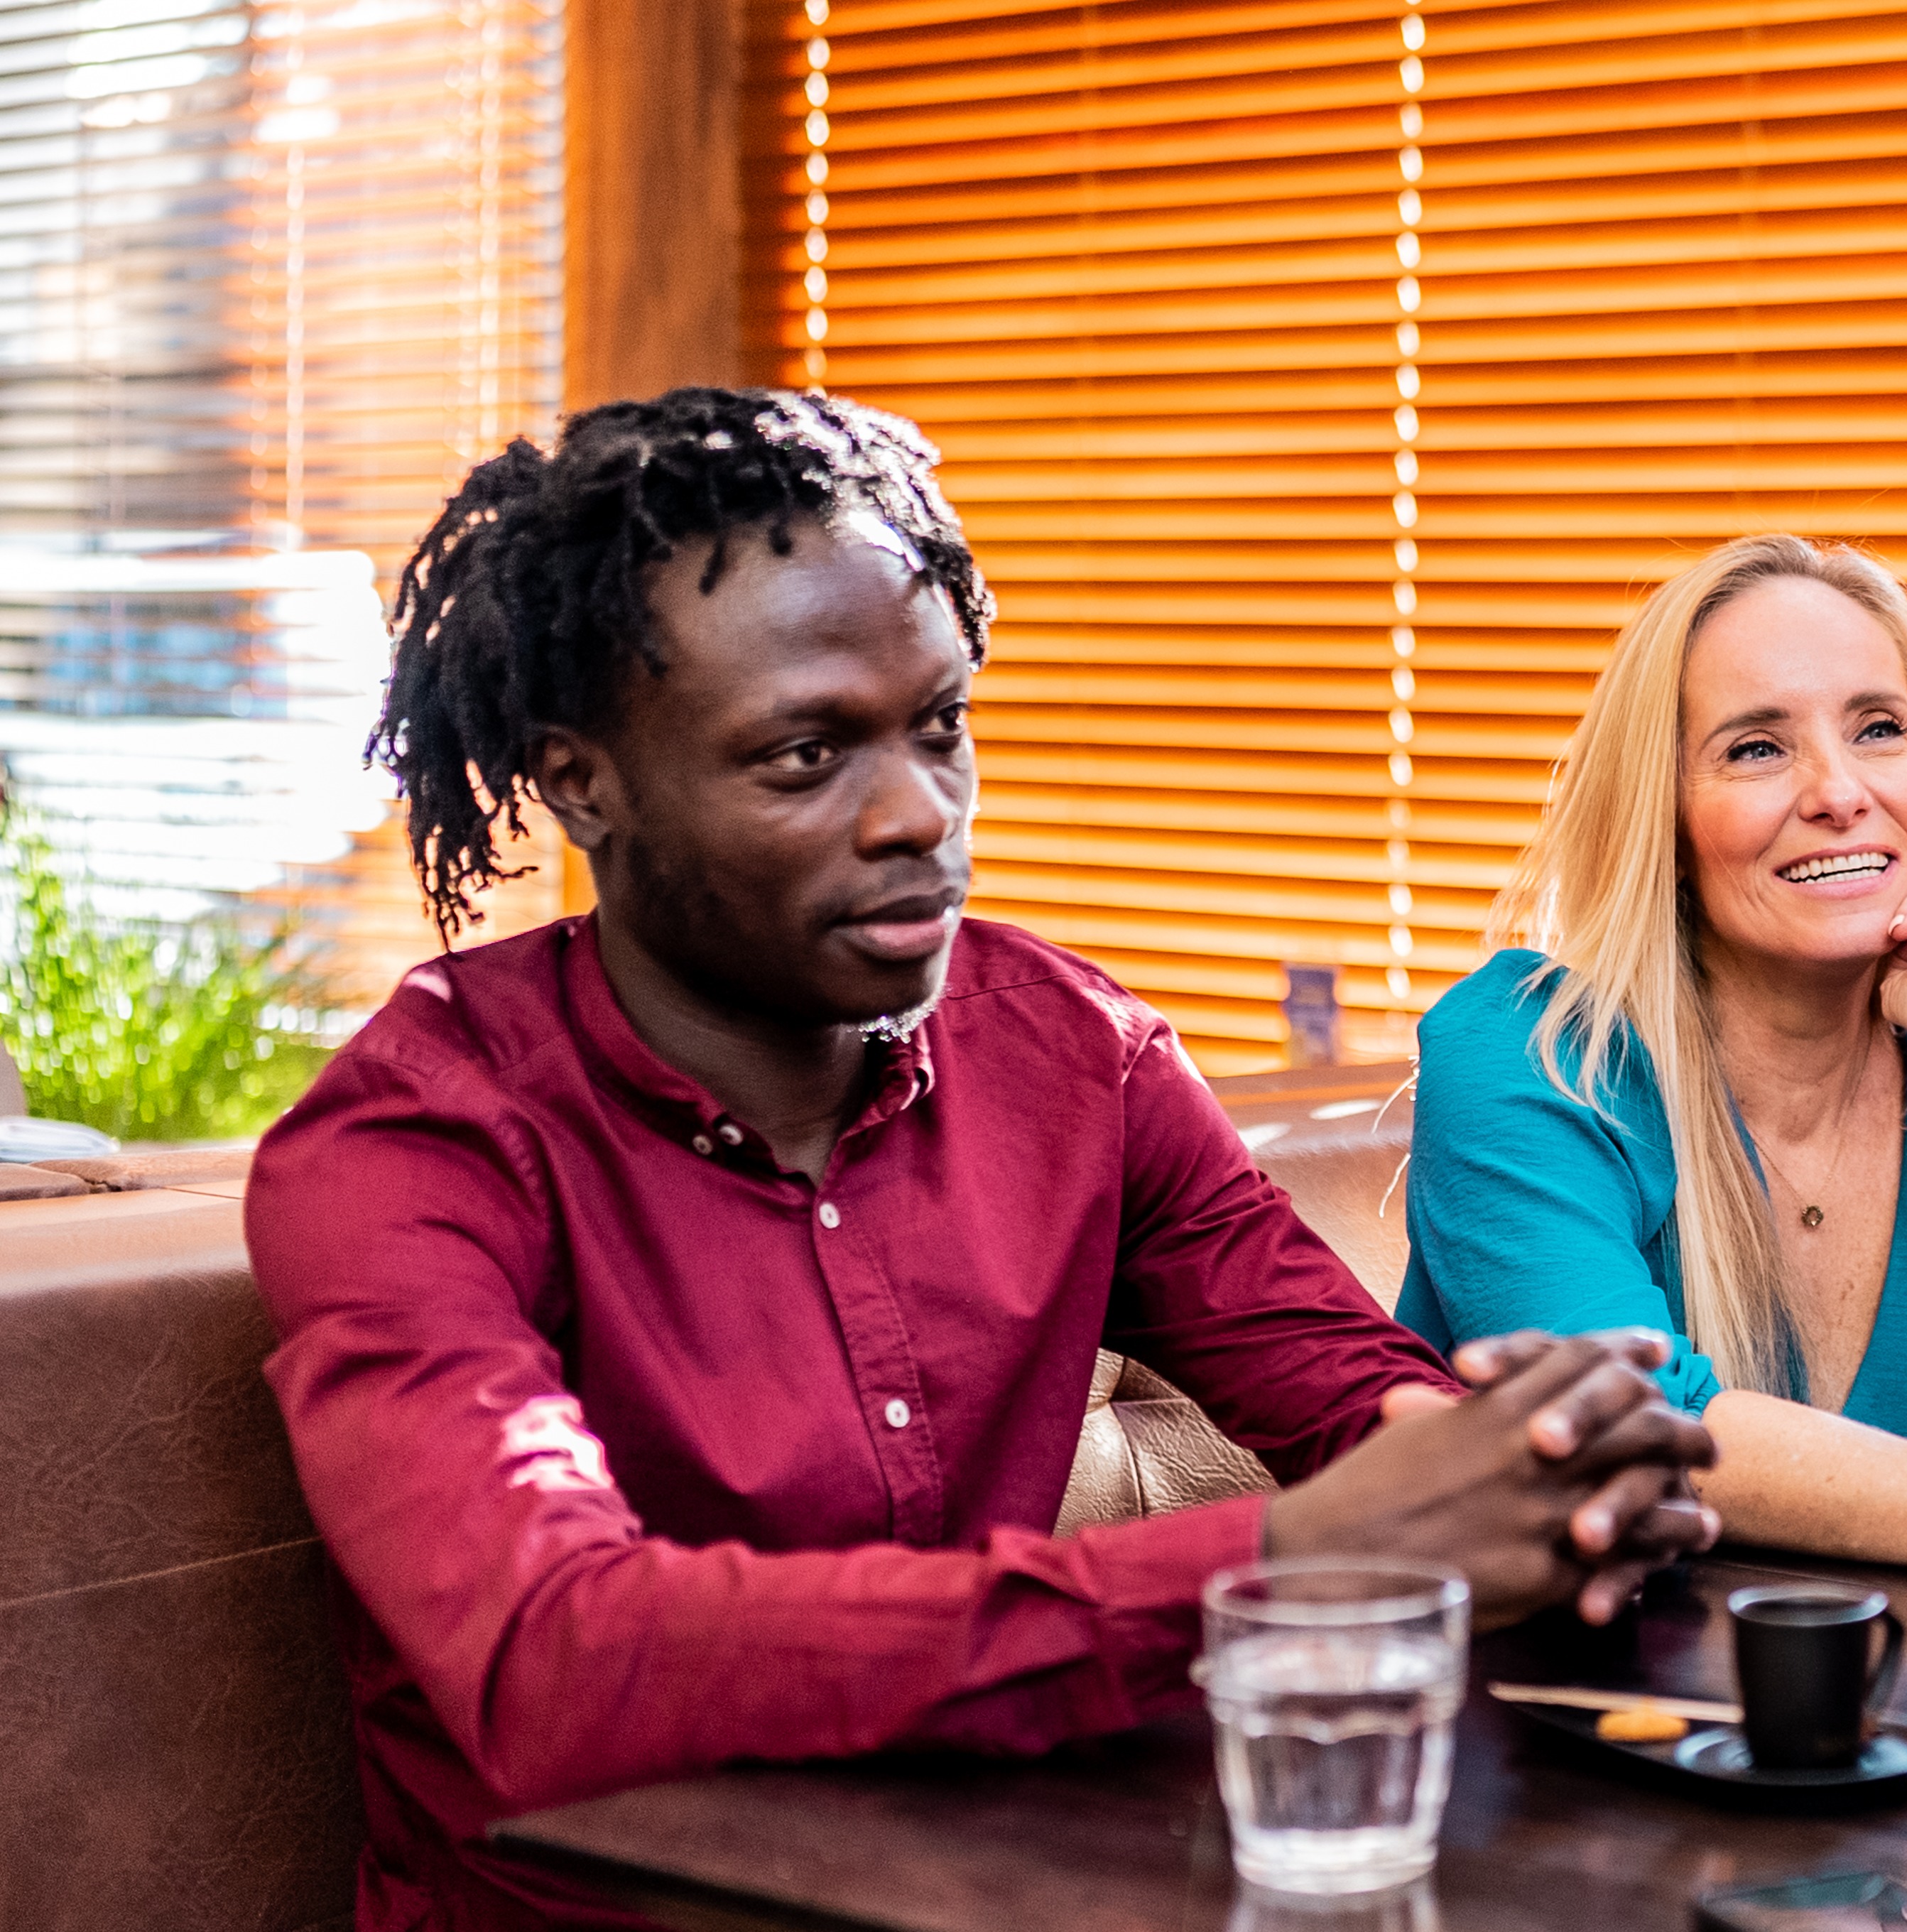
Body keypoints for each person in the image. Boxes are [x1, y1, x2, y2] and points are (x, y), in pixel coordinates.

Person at [250, 388, 1723, 1931]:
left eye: (941, 726)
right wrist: (1295, 1555)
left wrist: (1549, 1478)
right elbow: (559, 1657)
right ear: (581, 780)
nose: (921, 815)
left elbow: (1357, 1396)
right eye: (806, 752)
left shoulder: (1075, 1052)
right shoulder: (412, 1143)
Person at [1398, 535, 1907, 1578]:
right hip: (1575, 1710)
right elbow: (1634, 1429)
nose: (1840, 791)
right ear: (1666, 819)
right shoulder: (1529, 1057)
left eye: (1880, 728)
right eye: (1757, 748)